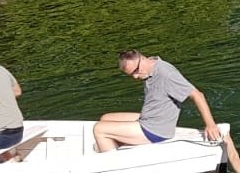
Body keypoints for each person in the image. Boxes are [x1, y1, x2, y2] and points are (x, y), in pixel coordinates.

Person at [93, 50, 221, 152]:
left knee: (99, 129)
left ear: (142, 59)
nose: (135, 77)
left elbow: (197, 95)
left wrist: (210, 125)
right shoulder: (150, 66)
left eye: (135, 72)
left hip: (156, 129)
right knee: (105, 118)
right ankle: (117, 145)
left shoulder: (166, 73)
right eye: (131, 75)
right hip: (148, 118)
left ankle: (113, 166)